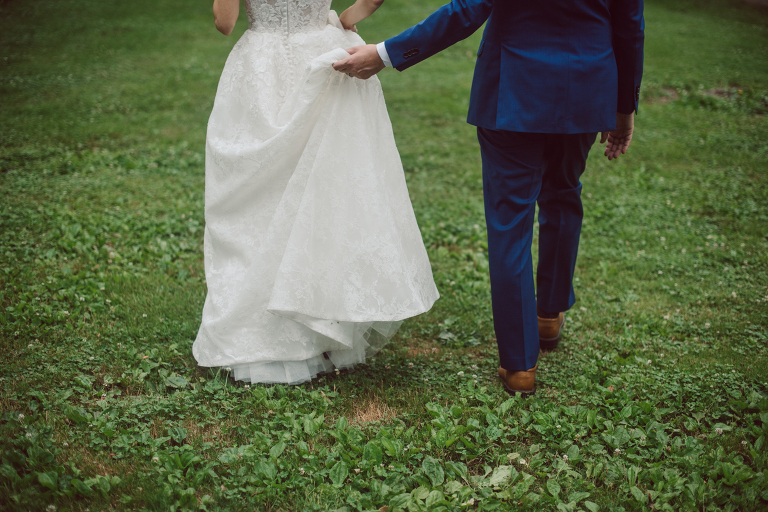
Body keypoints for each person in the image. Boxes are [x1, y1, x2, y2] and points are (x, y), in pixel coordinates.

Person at [334, 0, 644, 396]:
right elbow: (630, 27)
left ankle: (519, 367)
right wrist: (625, 107)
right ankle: (549, 315)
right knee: (564, 194)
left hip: (515, 87)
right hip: (586, 87)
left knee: (510, 223)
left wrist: (384, 54)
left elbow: (467, 10)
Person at [193, 0, 439, 385]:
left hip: (262, 68)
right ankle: (321, 325)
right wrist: (344, 20)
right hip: (322, 54)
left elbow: (225, 23)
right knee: (323, 189)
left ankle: (262, 331)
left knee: (258, 199)